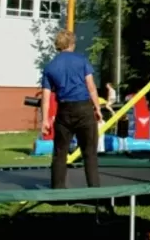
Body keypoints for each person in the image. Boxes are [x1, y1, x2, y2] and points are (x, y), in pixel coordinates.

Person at [40, 31, 102, 190]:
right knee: (89, 152)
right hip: (83, 108)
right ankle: (95, 190)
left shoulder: (50, 66)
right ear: (71, 44)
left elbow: (46, 97)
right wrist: (97, 108)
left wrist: (45, 120)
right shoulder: (81, 60)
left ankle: (57, 190)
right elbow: (91, 87)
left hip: (64, 111)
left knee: (60, 153)